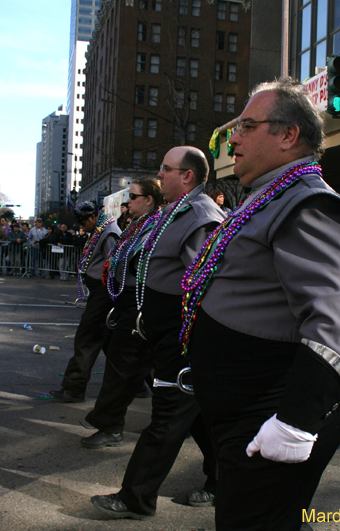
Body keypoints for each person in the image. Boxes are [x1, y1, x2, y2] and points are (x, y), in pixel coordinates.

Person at [181, 77, 340, 531]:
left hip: (270, 411)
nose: (234, 137)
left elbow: (337, 327)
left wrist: (295, 421)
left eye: (247, 125)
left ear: (288, 136)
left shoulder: (310, 205)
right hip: (241, 409)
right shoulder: (269, 198)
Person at [91, 146, 225, 520]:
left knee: (167, 417)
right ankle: (222, 482)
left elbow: (203, 286)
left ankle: (136, 497)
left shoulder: (200, 215)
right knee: (196, 417)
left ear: (188, 176)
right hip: (161, 330)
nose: (159, 174)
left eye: (166, 169)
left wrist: (186, 339)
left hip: (181, 337)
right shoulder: (171, 213)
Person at [81, 178, 163, 449]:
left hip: (143, 305)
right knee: (135, 366)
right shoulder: (137, 225)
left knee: (123, 365)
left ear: (149, 199)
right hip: (129, 303)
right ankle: (111, 422)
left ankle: (110, 424)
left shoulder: (157, 226)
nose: (128, 202)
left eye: (134, 197)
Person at [50, 201, 121, 403]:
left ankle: (74, 387)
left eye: (83, 222)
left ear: (92, 217)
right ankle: (138, 383)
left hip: (104, 293)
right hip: (101, 292)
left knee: (87, 338)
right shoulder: (102, 230)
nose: (81, 227)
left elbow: (114, 266)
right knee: (111, 343)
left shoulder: (109, 232)